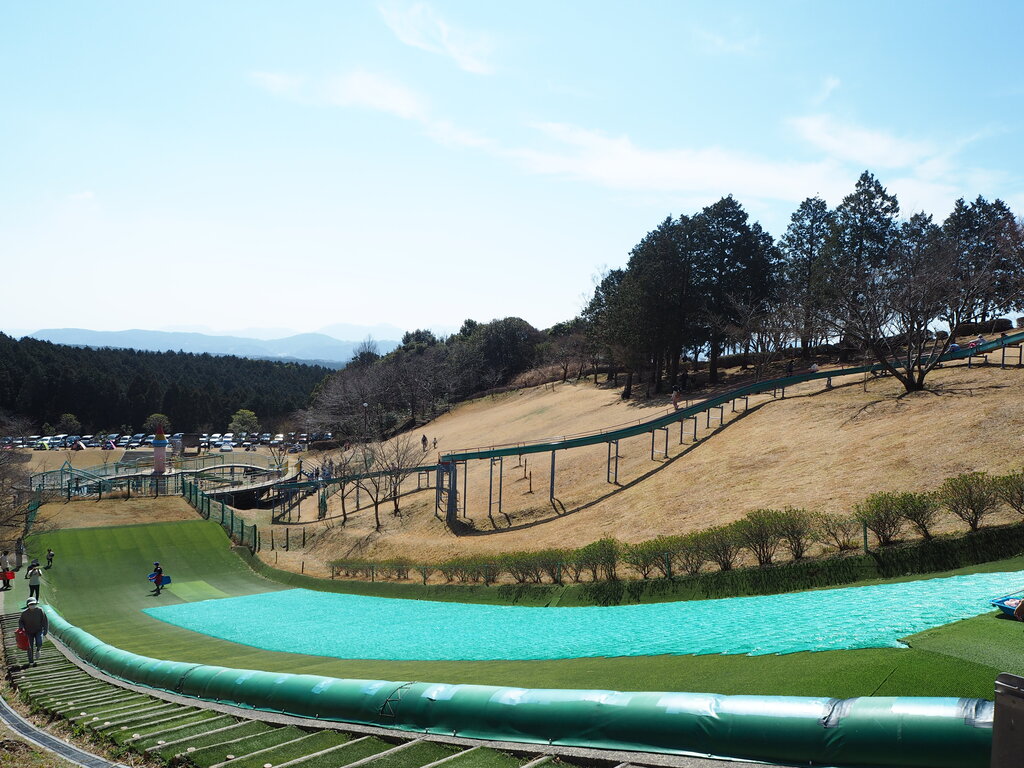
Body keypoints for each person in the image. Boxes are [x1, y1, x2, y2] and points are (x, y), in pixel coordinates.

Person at [19, 597, 48, 667]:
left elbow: (45, 621)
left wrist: (45, 630)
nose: (32, 605)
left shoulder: (40, 611)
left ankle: (38, 650)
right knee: (29, 647)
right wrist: (21, 627)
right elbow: (21, 621)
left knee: (39, 642)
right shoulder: (24, 613)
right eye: (31, 604)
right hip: (28, 632)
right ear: (28, 605)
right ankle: (31, 661)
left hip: (38, 630)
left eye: (34, 604)